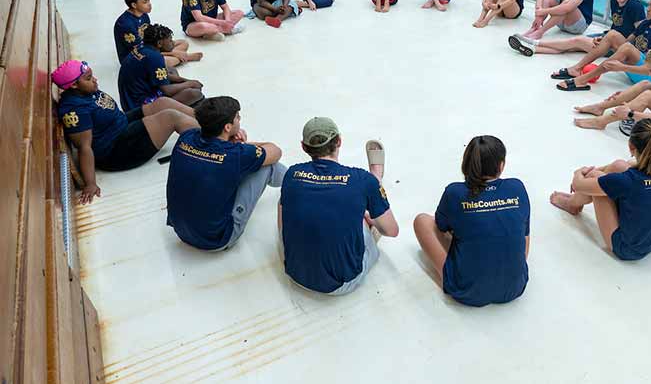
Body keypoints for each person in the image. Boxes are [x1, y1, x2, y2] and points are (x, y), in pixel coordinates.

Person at [279, 117, 399, 295]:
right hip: (341, 283)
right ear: (339, 142)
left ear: (304, 147)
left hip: (295, 272)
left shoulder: (291, 173)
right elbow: (391, 231)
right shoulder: (360, 178)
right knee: (360, 215)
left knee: (286, 197)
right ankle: (377, 181)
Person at [52, 60, 199, 204]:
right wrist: (90, 183)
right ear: (74, 85)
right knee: (170, 117)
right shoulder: (74, 110)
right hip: (117, 151)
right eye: (89, 78)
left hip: (121, 125)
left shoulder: (85, 91)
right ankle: (214, 139)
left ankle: (206, 120)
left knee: (162, 102)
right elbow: (84, 147)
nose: (95, 80)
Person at [413, 136, 530, 307]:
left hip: (467, 291)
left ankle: (458, 275)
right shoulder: (517, 187)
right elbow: (525, 234)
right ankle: (510, 266)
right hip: (516, 287)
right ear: (501, 165)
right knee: (517, 229)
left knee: (422, 221)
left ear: (466, 164)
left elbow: (440, 226)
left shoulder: (455, 192)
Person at [550, 118, 651, 260]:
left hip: (628, 248)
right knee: (618, 165)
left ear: (630, 146)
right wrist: (600, 172)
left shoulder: (628, 181)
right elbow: (628, 164)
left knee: (593, 177)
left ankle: (572, 204)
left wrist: (581, 172)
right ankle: (579, 198)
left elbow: (578, 184)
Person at [166, 96, 285, 251]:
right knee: (268, 166)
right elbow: (275, 151)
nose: (240, 119)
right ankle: (296, 182)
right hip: (217, 240)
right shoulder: (235, 155)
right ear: (227, 127)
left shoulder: (186, 138)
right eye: (237, 117)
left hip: (181, 233)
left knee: (229, 169)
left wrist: (230, 143)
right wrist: (241, 145)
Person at [555, 0, 651, 91]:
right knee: (613, 34)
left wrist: (622, 67)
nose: (648, 9)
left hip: (650, 76)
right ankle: (576, 69)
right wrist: (605, 41)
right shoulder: (647, 23)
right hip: (637, 65)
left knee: (627, 48)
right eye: (648, 5)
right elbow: (628, 41)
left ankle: (582, 80)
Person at [509, 0, 644, 58]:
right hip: (608, 36)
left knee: (575, 41)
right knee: (572, 47)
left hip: (618, 45)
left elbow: (640, 31)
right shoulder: (614, 1)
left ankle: (532, 42)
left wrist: (622, 49)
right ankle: (534, 49)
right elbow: (617, 26)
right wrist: (606, 36)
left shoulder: (635, 6)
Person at [117, 24, 204, 112]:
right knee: (194, 93)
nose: (173, 43)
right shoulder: (155, 57)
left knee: (171, 70)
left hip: (129, 98)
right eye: (170, 41)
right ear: (159, 43)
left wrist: (183, 80)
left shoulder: (142, 48)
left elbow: (160, 74)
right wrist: (190, 84)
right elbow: (167, 91)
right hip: (138, 105)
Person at [113, 0, 201, 67]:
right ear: (134, 5)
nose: (149, 4)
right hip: (135, 57)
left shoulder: (144, 15)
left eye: (149, 1)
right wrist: (173, 53)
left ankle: (178, 57)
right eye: (145, 2)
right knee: (167, 60)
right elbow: (140, 50)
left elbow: (149, 38)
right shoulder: (125, 24)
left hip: (148, 48)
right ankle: (185, 57)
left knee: (183, 43)